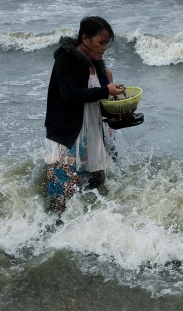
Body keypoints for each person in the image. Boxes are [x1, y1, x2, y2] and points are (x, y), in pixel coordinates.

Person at [44, 16, 126, 213]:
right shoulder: (65, 60)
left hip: (94, 137)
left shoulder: (101, 69)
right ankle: (47, 237)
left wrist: (122, 111)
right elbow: (69, 95)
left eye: (107, 43)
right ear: (85, 39)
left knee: (89, 195)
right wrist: (106, 91)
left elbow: (99, 105)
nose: (104, 47)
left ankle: (82, 236)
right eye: (101, 42)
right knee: (61, 199)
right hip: (68, 137)